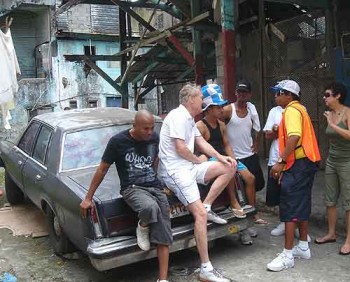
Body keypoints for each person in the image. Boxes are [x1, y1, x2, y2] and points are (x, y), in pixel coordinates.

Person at [80, 110, 172, 282]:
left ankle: (163, 279)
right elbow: (102, 169)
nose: (149, 132)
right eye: (145, 128)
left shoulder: (154, 138)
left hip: (154, 186)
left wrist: (156, 178)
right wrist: (88, 198)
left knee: (164, 233)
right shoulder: (118, 142)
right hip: (132, 187)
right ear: (134, 125)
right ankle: (143, 226)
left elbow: (156, 159)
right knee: (149, 207)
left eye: (152, 128)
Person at [158, 83, 235, 282]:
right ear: (191, 99)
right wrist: (197, 160)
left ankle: (208, 205)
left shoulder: (190, 118)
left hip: (189, 167)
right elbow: (181, 148)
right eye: (200, 97)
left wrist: (220, 156)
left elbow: (201, 142)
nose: (203, 101)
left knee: (229, 167)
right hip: (176, 171)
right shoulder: (177, 116)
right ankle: (206, 269)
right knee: (199, 214)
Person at [266, 80, 321, 272]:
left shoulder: (290, 111)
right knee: (302, 203)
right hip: (307, 163)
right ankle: (303, 247)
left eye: (278, 92)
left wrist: (281, 161)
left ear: (289, 95)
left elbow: (294, 137)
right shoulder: (301, 110)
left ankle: (288, 255)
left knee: (289, 207)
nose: (275, 95)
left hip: (297, 165)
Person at [196, 84, 259, 246]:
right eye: (218, 107)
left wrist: (233, 159)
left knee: (250, 178)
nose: (222, 109)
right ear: (209, 109)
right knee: (229, 169)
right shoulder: (200, 127)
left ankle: (251, 213)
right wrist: (227, 162)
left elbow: (227, 145)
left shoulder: (222, 125)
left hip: (224, 157)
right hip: (211, 160)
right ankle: (233, 202)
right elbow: (199, 151)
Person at [223, 80, 267, 226]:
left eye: (245, 92)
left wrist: (256, 142)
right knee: (248, 181)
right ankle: (253, 214)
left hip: (249, 153)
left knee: (258, 183)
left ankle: (249, 209)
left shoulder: (251, 109)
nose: (241, 95)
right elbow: (219, 126)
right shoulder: (229, 110)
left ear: (249, 94)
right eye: (239, 92)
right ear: (235, 93)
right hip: (235, 156)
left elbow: (258, 128)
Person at [315, 82, 350, 255]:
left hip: (347, 161)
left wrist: (332, 123)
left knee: (348, 200)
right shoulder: (329, 113)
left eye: (327, 94)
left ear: (337, 96)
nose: (324, 97)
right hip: (332, 160)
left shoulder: (348, 112)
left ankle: (349, 240)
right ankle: (331, 233)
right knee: (330, 199)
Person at [263, 96, 284, 236]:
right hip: (276, 157)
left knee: (292, 192)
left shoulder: (299, 110)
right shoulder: (274, 111)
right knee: (279, 193)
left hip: (293, 159)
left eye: (279, 93)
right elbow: (268, 134)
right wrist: (279, 131)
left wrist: (277, 129)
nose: (276, 96)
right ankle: (284, 222)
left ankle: (297, 227)